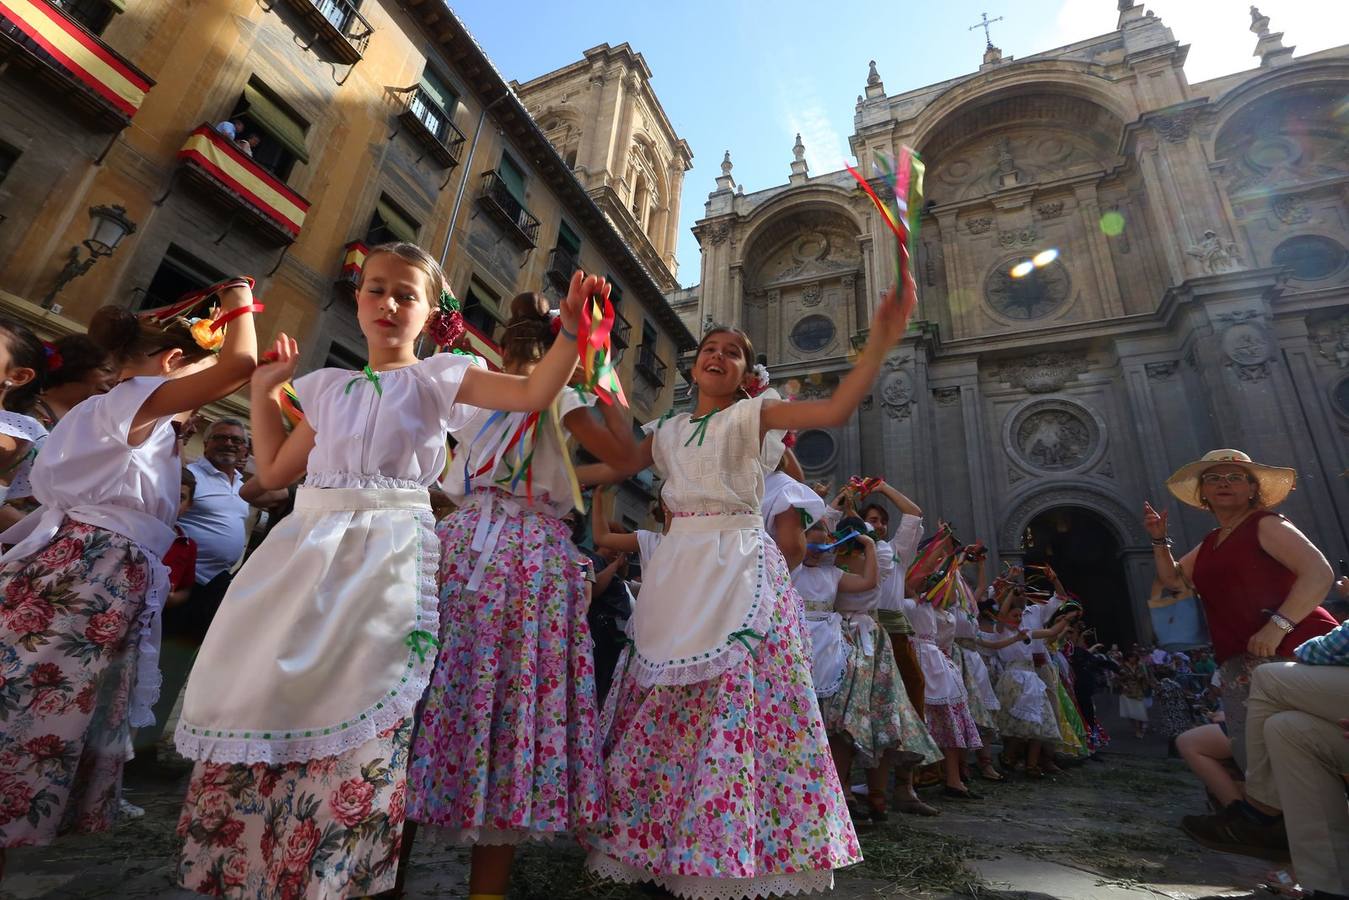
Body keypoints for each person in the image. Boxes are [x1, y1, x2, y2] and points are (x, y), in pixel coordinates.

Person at [172, 245, 593, 898]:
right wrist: (260, 390)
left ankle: (337, 869)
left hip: (387, 556)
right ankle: (261, 866)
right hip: (304, 558)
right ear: (357, 299)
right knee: (274, 696)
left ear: (432, 313)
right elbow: (275, 475)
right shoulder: (325, 387)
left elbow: (535, 390)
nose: (388, 303)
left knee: (367, 699)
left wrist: (571, 330)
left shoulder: (442, 378)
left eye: (405, 294)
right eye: (375, 290)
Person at [579, 276, 919, 898]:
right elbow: (617, 460)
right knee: (664, 700)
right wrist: (596, 346)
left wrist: (882, 341)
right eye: (710, 347)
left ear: (746, 372)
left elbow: (832, 410)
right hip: (678, 569)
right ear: (694, 365)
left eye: (732, 351)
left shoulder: (753, 416)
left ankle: (728, 849)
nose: (717, 355)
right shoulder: (670, 429)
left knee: (736, 699)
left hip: (739, 565)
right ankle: (659, 843)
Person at [0, 285, 259, 855]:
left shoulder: (139, 416)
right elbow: (241, 363)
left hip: (103, 572)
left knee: (50, 710)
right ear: (173, 365)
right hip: (89, 573)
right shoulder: (135, 397)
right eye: (198, 375)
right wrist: (240, 302)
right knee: (30, 708)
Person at [405, 289, 639, 900]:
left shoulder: (529, 399)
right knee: (503, 704)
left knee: (432, 695)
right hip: (503, 554)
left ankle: (389, 877)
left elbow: (617, 461)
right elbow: (626, 456)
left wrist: (599, 366)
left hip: (474, 550)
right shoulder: (503, 399)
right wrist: (603, 374)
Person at [1145, 449, 1337, 773]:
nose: (1224, 483)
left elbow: (1319, 572)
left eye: (1236, 477)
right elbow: (1174, 580)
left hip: (1290, 648)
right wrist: (1159, 540)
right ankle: (1267, 817)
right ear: (1203, 493)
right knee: (1258, 753)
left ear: (1252, 489)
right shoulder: (1212, 541)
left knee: (1299, 752)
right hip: (1240, 658)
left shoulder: (1266, 524)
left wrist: (1278, 626)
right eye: (1214, 478)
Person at [135, 417, 284, 760]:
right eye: (220, 438)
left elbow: (279, 494)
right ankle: (133, 750)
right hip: (182, 587)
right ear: (206, 443)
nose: (228, 444)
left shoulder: (243, 486)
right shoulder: (193, 476)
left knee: (181, 668)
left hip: (215, 588)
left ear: (246, 449)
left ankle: (148, 745)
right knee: (156, 666)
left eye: (236, 440)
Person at [1181, 619, 1349, 894]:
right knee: (1286, 729)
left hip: (1298, 657)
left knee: (1268, 678)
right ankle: (1329, 888)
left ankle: (1261, 810)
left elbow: (1327, 645)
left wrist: (1280, 625)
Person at [1117, 651, 1152, 738]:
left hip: (1139, 690)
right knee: (1131, 713)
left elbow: (1146, 676)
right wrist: (1123, 685)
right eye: (1131, 657)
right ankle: (1138, 728)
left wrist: (1143, 678)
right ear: (1127, 658)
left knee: (1139, 711)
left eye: (1135, 657)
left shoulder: (1140, 666)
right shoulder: (1121, 667)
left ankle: (1140, 728)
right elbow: (1117, 679)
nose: (1133, 659)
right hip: (1127, 691)